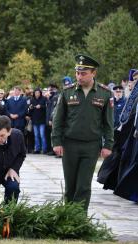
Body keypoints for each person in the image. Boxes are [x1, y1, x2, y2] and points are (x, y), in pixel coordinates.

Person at [52, 54, 114, 211]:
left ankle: (79, 220)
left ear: (93, 73)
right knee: (70, 185)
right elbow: (58, 120)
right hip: (70, 144)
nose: (79, 76)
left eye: (83, 73)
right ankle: (68, 219)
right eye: (77, 73)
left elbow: (108, 123)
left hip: (91, 146)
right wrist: (56, 142)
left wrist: (108, 144)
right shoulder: (67, 92)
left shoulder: (104, 93)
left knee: (84, 186)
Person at [29, 88, 47, 154]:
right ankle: (37, 149)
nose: (37, 94)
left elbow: (46, 107)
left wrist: (41, 106)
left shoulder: (44, 99)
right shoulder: (32, 99)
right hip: (34, 119)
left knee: (42, 135)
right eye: (36, 93)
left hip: (42, 119)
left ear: (40, 93)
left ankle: (44, 149)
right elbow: (30, 109)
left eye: (38, 92)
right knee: (36, 135)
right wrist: (30, 108)